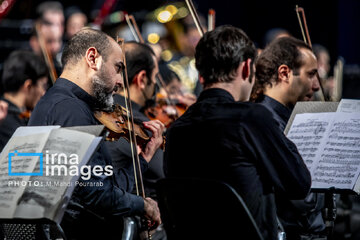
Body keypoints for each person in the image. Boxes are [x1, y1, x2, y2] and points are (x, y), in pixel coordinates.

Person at [164, 25, 311, 240]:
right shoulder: (252, 118)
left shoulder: (176, 130)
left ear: (200, 72)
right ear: (246, 67)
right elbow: (299, 184)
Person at [28, 28, 164, 239]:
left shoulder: (53, 103)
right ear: (93, 58)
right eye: (118, 68)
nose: (120, 82)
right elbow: (97, 196)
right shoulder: (71, 109)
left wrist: (143, 158)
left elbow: (103, 186)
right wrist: (142, 205)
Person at [251, 37, 325, 240]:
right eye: (311, 75)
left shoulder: (289, 115)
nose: (317, 86)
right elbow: (301, 200)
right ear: (284, 73)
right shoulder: (266, 122)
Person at [106, 41, 165, 198]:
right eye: (154, 78)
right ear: (142, 79)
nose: (156, 87)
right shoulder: (138, 125)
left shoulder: (100, 112)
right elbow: (164, 173)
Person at [0, 50, 48, 151]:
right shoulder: (7, 124)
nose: (44, 93)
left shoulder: (18, 116)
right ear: (28, 86)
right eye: (43, 86)